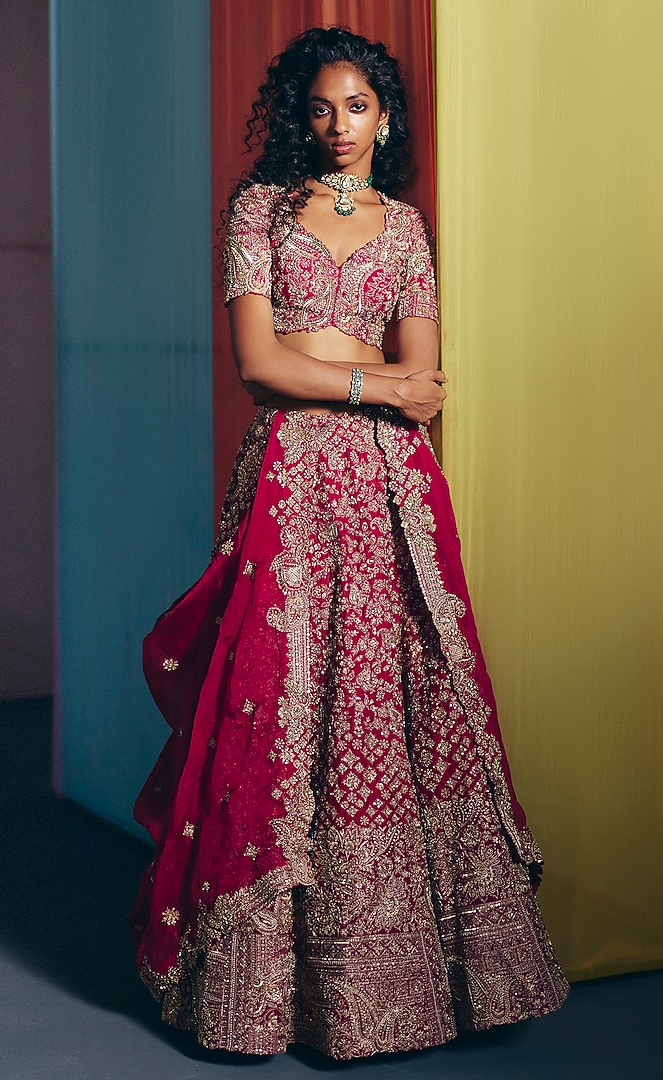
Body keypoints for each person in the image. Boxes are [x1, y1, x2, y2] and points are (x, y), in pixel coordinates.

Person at [130, 25, 568, 1061]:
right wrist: (367, 380)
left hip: (388, 491)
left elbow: (431, 382)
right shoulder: (258, 211)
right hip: (293, 479)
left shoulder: (406, 229)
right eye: (320, 107)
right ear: (301, 114)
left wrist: (360, 376)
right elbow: (260, 365)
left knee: (393, 695)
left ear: (386, 116)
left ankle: (421, 980)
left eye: (358, 106)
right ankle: (266, 990)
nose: (337, 126)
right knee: (285, 690)